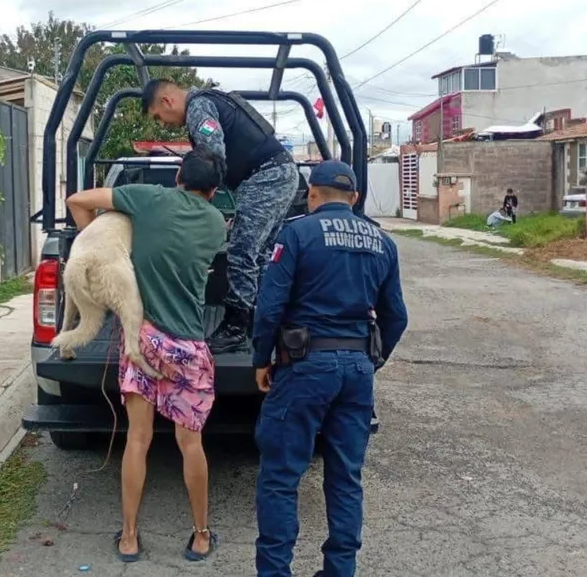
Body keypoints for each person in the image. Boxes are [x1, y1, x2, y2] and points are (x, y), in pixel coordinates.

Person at [65, 150, 228, 564]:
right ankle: (202, 536)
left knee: (137, 440)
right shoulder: (214, 223)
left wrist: (99, 249)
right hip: (188, 347)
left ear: (177, 176)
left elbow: (79, 200)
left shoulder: (145, 198)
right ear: (213, 190)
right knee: (190, 444)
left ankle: (130, 538)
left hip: (144, 340)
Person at [248, 160, 408, 577]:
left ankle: (275, 571)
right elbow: (396, 316)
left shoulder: (296, 234)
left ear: (312, 194)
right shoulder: (382, 242)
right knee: (345, 477)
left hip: (304, 367)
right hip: (356, 368)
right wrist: (372, 360)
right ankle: (340, 570)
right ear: (354, 198)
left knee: (281, 476)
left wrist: (261, 359)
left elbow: (269, 308)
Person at [143, 78, 299, 355]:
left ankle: (236, 328)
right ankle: (262, 321)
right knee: (260, 255)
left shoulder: (198, 107)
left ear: (167, 101)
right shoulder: (208, 100)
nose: (162, 124)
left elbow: (211, 156)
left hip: (266, 177)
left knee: (242, 251)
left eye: (158, 116)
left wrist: (192, 203)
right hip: (278, 174)